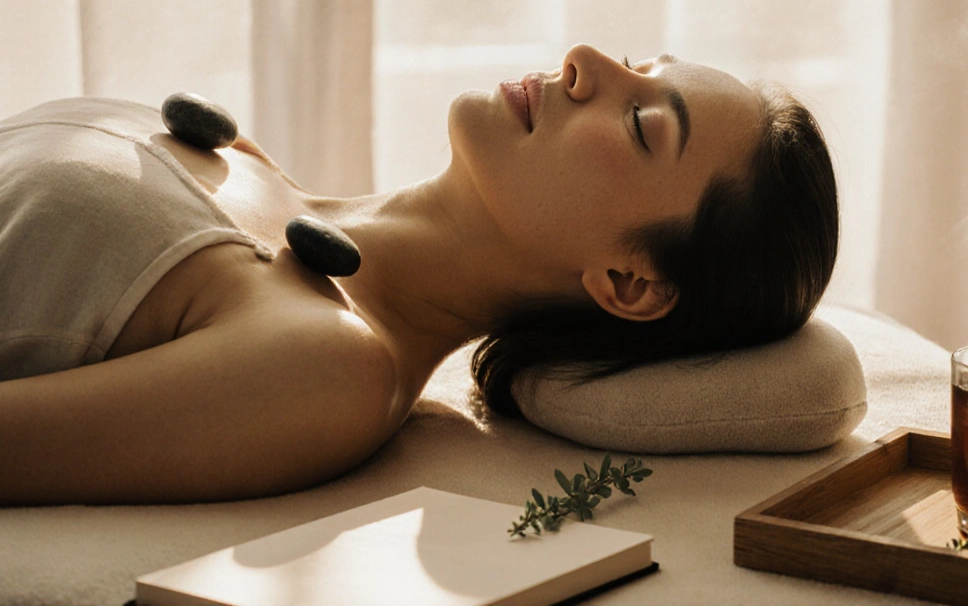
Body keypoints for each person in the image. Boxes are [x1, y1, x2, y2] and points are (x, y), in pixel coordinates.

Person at [0, 44, 839, 505]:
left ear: (628, 282)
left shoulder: (332, 367)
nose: (585, 59)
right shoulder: (252, 165)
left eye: (641, 121)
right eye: (635, 60)